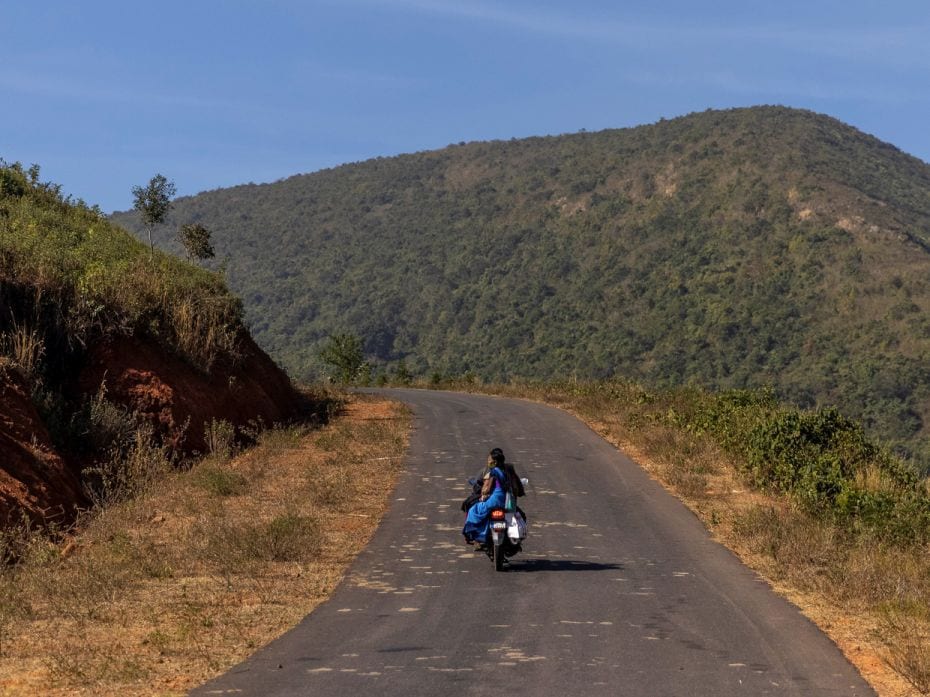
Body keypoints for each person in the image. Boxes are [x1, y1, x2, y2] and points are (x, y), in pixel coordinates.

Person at [462, 447, 523, 545]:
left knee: (474, 510)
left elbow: (487, 488)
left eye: (490, 460)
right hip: (508, 502)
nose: (488, 462)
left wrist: (483, 495)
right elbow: (517, 486)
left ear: (494, 461)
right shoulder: (509, 470)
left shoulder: (493, 472)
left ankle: (473, 535)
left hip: (496, 500)